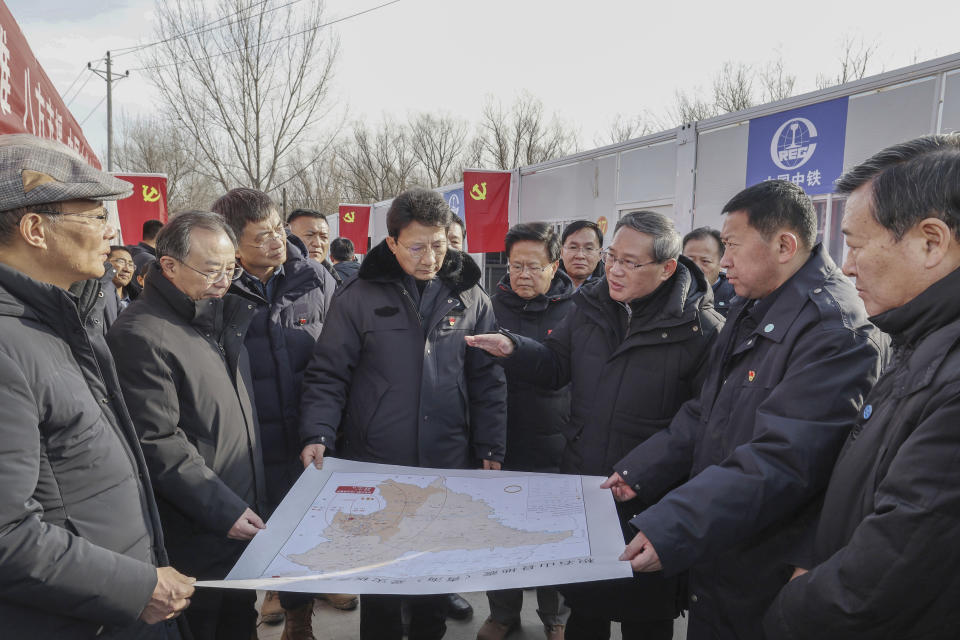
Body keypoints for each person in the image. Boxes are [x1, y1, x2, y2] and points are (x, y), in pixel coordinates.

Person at [601, 180, 887, 640]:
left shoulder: (835, 331)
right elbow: (705, 410)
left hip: (769, 559)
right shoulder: (752, 307)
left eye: (731, 245)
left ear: (784, 245)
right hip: (723, 543)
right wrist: (641, 470)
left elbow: (785, 458)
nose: (723, 259)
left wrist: (675, 524)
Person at [467, 210, 724, 639]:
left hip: (651, 500)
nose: (615, 270)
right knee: (586, 613)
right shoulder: (591, 306)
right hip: (586, 488)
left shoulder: (701, 329)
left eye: (630, 262)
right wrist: (514, 347)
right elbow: (555, 366)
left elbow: (701, 419)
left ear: (667, 268)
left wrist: (642, 470)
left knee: (646, 619)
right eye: (613, 257)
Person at [763, 134, 960, 638]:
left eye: (854, 245)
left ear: (930, 242)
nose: (846, 266)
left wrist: (788, 611)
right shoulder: (917, 336)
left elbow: (892, 564)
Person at [0, 133, 193, 638]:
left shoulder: (67, 318)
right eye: (94, 216)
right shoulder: (7, 344)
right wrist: (134, 587)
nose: (113, 233)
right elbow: (5, 535)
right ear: (35, 229)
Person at [299, 186, 507, 640]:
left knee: (434, 576)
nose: (430, 257)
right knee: (381, 580)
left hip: (445, 461)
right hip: (378, 461)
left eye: (439, 244)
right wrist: (318, 431)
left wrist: (490, 444)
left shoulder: (469, 296)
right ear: (391, 243)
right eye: (416, 246)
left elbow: (487, 379)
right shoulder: (358, 296)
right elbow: (329, 373)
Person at [107, 211, 268, 640]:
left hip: (236, 518)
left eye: (230, 268)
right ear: (169, 266)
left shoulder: (217, 318)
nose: (224, 280)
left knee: (239, 623)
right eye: (211, 270)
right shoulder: (141, 335)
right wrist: (224, 508)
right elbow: (156, 440)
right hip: (195, 532)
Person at [213, 188, 347, 638]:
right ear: (232, 243)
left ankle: (298, 618)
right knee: (244, 539)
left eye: (277, 229)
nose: (276, 242)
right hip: (240, 443)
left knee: (301, 536)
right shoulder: (217, 286)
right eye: (260, 236)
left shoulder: (313, 278)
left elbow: (337, 357)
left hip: (305, 435)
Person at [478, 222, 576, 640]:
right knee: (499, 534)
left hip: (559, 442)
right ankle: (502, 613)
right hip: (500, 441)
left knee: (553, 535)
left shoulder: (580, 308)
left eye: (533, 266)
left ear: (554, 266)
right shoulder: (486, 307)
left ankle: (555, 617)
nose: (522, 275)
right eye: (515, 265)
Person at [682, 226, 736, 316]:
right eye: (689, 260)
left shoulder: (735, 296)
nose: (696, 267)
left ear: (721, 264)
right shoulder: (670, 292)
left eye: (705, 261)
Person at [287, 208, 342, 285]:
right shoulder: (272, 279)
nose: (317, 243)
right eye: (309, 235)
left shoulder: (334, 282)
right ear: (289, 237)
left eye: (324, 237)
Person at [559, 220, 603, 289]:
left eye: (589, 248)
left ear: (600, 254)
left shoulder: (610, 288)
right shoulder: (545, 284)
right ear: (561, 252)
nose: (580, 255)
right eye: (573, 247)